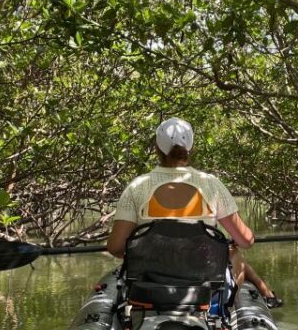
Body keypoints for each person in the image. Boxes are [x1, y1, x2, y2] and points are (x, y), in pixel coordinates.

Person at [107, 117, 283, 308]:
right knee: (235, 254)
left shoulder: (136, 187)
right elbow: (246, 241)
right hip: (203, 286)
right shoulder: (211, 184)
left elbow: (115, 247)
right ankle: (223, 314)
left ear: (157, 149)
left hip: (149, 286)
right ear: (190, 148)